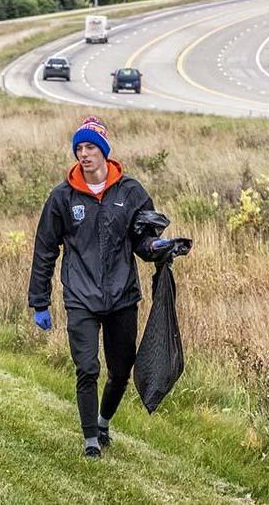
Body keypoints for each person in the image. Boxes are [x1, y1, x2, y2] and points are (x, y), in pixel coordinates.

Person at [28, 116, 172, 459]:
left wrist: (159, 248)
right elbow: (45, 248)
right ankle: (90, 438)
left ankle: (104, 420)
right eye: (79, 147)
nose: (84, 153)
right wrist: (40, 301)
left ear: (104, 151)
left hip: (122, 295)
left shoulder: (132, 192)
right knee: (87, 368)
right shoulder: (62, 197)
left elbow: (143, 242)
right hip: (81, 296)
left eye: (90, 147)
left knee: (121, 369)